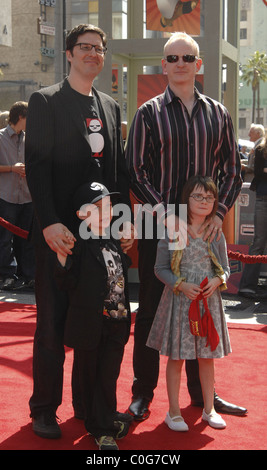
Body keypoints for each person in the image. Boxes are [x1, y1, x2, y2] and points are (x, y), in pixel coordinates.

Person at [126, 31, 246, 421]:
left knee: (204, 305)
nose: (180, 63)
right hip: (159, 227)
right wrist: (167, 213)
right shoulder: (148, 113)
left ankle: (203, 396)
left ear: (199, 65)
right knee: (148, 309)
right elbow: (135, 170)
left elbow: (232, 169)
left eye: (187, 58)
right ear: (163, 65)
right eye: (172, 58)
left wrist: (217, 212)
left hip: (205, 231)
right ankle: (143, 393)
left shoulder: (219, 114)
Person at [25, 24, 132, 439]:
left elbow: (117, 172)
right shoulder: (45, 101)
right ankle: (44, 409)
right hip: (59, 235)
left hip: (100, 239)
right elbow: (36, 166)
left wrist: (122, 225)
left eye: (99, 49)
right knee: (51, 324)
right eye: (84, 47)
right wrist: (50, 222)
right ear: (68, 54)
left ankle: (87, 405)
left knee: (96, 324)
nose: (93, 54)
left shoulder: (110, 105)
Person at [147, 176, 231, 431]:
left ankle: (209, 409)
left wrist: (217, 281)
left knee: (207, 357)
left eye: (209, 198)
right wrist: (181, 285)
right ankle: (173, 412)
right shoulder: (175, 229)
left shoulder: (215, 231)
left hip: (208, 301)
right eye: (198, 196)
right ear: (187, 199)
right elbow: (160, 268)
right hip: (180, 300)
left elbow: (225, 269)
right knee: (177, 357)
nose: (204, 202)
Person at [55, 181, 131, 450]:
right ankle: (102, 429)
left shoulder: (113, 240)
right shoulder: (76, 244)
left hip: (118, 321)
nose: (106, 211)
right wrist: (62, 261)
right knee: (92, 373)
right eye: (97, 207)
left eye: (108, 206)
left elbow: (118, 273)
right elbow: (67, 282)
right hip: (91, 324)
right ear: (81, 214)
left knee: (109, 374)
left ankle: (103, 416)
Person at [0, 102, 35, 291]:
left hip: (26, 196)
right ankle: (7, 275)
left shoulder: (28, 139)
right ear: (21, 117)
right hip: (6, 196)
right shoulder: (0, 138)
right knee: (5, 239)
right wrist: (12, 169)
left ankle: (28, 275)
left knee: (26, 238)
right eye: (29, 117)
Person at [239, 130, 267, 300]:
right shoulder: (260, 149)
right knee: (258, 241)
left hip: (262, 198)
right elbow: (258, 172)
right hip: (263, 199)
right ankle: (247, 286)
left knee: (258, 242)